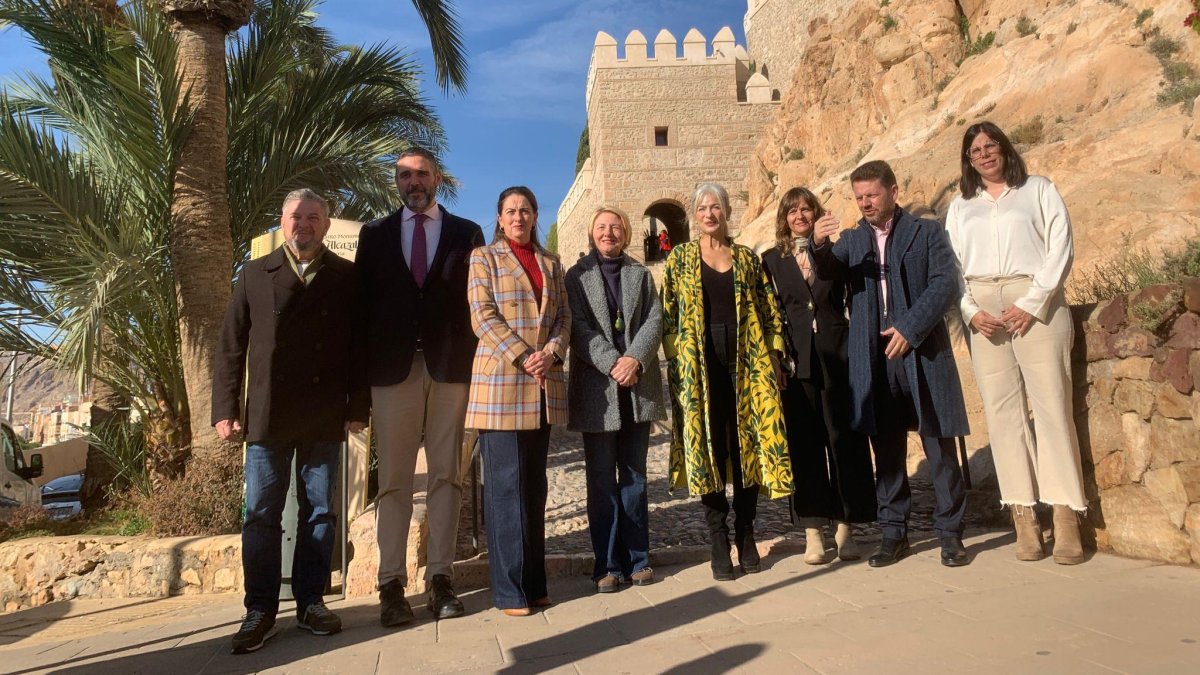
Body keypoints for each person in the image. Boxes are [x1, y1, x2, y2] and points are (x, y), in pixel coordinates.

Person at [212, 189, 369, 654]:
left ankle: (311, 603)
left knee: (321, 511)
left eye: (313, 217)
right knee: (261, 514)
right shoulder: (255, 273)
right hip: (266, 412)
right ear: (283, 222)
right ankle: (259, 609)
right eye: (296, 216)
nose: (304, 224)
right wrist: (225, 409)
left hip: (323, 411)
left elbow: (360, 350)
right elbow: (230, 345)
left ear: (325, 224)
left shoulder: (346, 277)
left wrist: (357, 408)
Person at [811, 160, 972, 568]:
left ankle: (951, 534)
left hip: (922, 354)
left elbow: (944, 283)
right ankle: (893, 533)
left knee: (938, 446)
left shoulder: (926, 232)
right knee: (886, 451)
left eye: (872, 195)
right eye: (859, 196)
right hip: (875, 359)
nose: (865, 203)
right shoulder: (852, 240)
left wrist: (910, 327)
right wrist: (817, 245)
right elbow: (829, 272)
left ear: (893, 192)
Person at [946, 121, 1087, 565]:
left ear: (1005, 150)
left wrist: (1032, 302)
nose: (985, 155)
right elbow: (951, 267)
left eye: (991, 147)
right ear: (968, 161)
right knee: (1003, 414)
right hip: (985, 311)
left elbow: (1060, 247)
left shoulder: (1039, 191)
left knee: (1051, 408)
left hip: (1035, 305)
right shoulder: (961, 206)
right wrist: (971, 312)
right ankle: (1024, 517)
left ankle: (1065, 517)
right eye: (976, 151)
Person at [356, 147, 485, 626]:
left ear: (437, 179)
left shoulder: (465, 233)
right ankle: (390, 583)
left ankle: (441, 578)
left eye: (422, 174)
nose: (413, 182)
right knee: (392, 480)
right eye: (404, 175)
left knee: (447, 477)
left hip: (450, 370)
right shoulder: (375, 234)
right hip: (392, 373)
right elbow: (362, 310)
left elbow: (478, 305)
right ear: (397, 182)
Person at [660, 182, 792, 581]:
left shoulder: (747, 259)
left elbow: (769, 309)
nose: (709, 213)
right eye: (702, 207)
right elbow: (668, 313)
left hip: (747, 362)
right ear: (694, 216)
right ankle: (718, 538)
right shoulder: (680, 258)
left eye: (716, 206)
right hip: (700, 366)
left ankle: (745, 532)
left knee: (745, 443)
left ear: (727, 211)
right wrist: (677, 361)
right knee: (710, 445)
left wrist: (775, 353)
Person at [466, 186, 571, 616]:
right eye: (511, 210)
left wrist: (553, 351)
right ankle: (509, 591)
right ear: (499, 216)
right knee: (505, 490)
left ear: (534, 215)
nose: (519, 217)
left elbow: (564, 315)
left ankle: (535, 584)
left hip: (542, 385)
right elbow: (482, 315)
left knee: (534, 489)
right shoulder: (483, 258)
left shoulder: (552, 263)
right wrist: (523, 354)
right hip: (502, 385)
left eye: (525, 209)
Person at [761, 187, 876, 565]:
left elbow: (840, 288)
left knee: (843, 441)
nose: (799, 216)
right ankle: (813, 530)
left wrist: (820, 246)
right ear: (784, 217)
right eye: (792, 211)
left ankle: (846, 526)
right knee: (806, 445)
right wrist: (777, 359)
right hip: (797, 365)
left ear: (816, 213)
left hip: (837, 357)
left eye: (806, 209)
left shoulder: (834, 251)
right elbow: (773, 310)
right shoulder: (771, 260)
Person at [565, 207, 665, 592]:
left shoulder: (641, 275)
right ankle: (607, 565)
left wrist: (635, 359)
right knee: (602, 480)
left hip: (637, 388)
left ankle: (639, 559)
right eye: (602, 227)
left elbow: (655, 320)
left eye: (616, 227)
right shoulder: (577, 277)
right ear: (592, 233)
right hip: (598, 392)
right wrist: (613, 363)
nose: (609, 233)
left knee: (635, 479)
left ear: (625, 233)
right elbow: (578, 327)